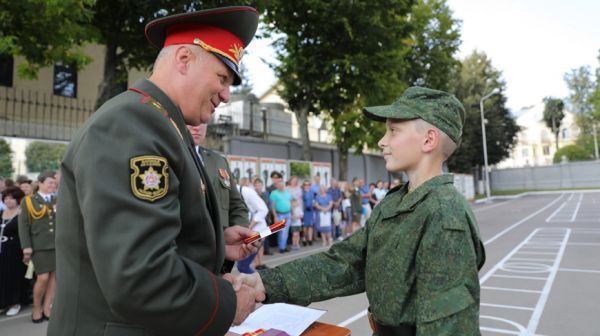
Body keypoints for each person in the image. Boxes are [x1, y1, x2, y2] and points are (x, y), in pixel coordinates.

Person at [47, 7, 263, 336]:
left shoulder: (161, 124)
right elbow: (139, 275)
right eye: (222, 78)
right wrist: (228, 305)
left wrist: (217, 243)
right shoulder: (133, 125)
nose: (226, 94)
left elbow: (149, 233)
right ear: (184, 60)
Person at [231, 87, 486, 335]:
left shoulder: (444, 213)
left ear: (428, 139)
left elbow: (449, 327)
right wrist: (265, 283)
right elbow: (347, 262)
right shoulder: (395, 202)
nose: (382, 141)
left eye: (393, 131)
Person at [188, 123, 249, 273]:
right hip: (188, 260)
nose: (197, 127)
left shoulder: (218, 160)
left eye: (202, 123)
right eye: (191, 122)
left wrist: (238, 235)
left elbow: (237, 205)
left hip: (221, 260)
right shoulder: (170, 157)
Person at [17, 171, 57, 323]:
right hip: (39, 245)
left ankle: (47, 308)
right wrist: (26, 246)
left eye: (54, 183)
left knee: (53, 277)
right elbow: (23, 225)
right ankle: (36, 308)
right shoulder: (28, 201)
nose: (53, 185)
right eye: (50, 182)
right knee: (43, 277)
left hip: (56, 245)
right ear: (40, 183)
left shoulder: (57, 199)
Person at [0, 186, 29, 317]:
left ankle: (15, 303)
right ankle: (3, 303)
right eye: (5, 198)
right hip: (2, 249)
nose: (8, 200)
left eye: (11, 198)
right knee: (2, 277)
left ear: (18, 199)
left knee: (14, 276)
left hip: (15, 250)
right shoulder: (1, 212)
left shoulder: (22, 213)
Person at [236, 177, 269, 274]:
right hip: (249, 232)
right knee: (242, 266)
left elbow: (264, 209)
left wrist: (249, 227)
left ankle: (262, 283)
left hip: (259, 230)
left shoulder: (247, 192)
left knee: (242, 266)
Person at [269, 180, 293, 253]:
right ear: (277, 186)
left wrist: (292, 213)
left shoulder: (287, 192)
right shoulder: (274, 193)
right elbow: (272, 206)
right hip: (280, 214)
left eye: (282, 185)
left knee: (286, 231)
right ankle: (281, 247)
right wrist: (275, 216)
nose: (281, 187)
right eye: (280, 185)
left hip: (288, 214)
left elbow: (290, 203)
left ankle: (284, 246)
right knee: (281, 231)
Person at [301, 179, 315, 246]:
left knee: (310, 226)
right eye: (305, 184)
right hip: (304, 211)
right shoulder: (302, 192)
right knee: (305, 227)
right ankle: (304, 239)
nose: (307, 186)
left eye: (308, 184)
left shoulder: (312, 192)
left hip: (311, 211)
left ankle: (310, 239)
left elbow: (314, 200)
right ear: (303, 186)